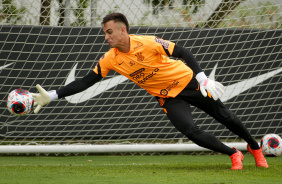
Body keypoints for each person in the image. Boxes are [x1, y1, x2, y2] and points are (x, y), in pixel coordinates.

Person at [32, 13, 268, 170]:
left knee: (224, 116)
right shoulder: (110, 59)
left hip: (187, 81)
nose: (106, 37)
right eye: (105, 33)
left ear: (122, 30)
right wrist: (53, 95)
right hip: (167, 96)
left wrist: (202, 77)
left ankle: (254, 147)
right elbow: (85, 82)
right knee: (189, 130)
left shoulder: (146, 42)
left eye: (109, 32)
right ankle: (233, 154)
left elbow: (182, 52)